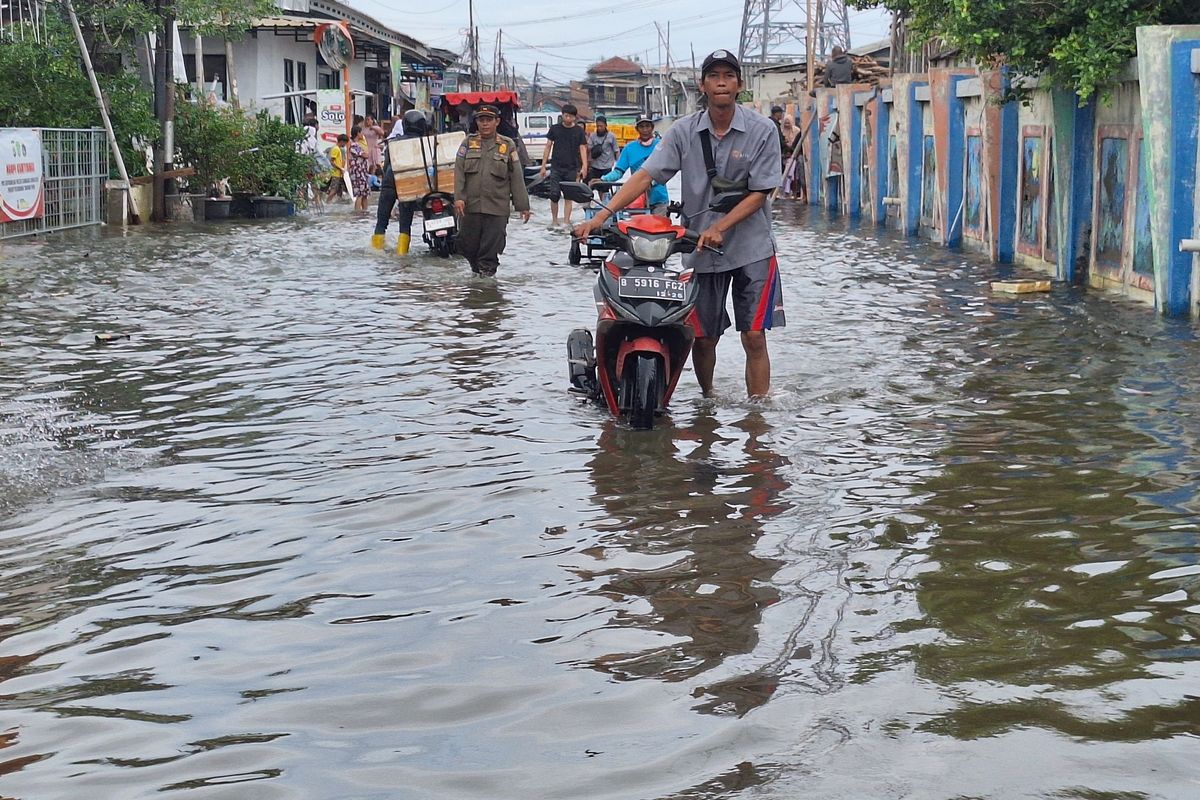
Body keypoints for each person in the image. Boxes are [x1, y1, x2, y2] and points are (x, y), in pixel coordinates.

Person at [573, 49, 784, 400]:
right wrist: (601, 216)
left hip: (752, 246)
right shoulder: (683, 132)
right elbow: (645, 176)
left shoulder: (762, 130)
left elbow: (761, 193)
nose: (721, 82)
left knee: (754, 336)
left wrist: (722, 226)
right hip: (698, 246)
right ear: (702, 85)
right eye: (714, 76)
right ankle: (708, 401)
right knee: (703, 337)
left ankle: (758, 417)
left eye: (728, 76)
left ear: (739, 85)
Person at [453, 104, 531, 276]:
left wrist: (523, 205)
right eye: (481, 120)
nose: (485, 124)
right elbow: (458, 172)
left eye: (489, 120)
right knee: (467, 245)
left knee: (490, 249)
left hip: (497, 208)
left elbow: (516, 176)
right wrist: (459, 198)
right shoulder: (468, 143)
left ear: (497, 121)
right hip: (470, 207)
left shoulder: (507, 145)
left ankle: (486, 285)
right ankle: (477, 278)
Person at [371, 109, 429, 254]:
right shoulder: (425, 143)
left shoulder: (393, 142)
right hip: (410, 184)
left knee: (381, 221)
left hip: (390, 182)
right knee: (405, 224)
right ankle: (402, 255)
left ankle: (376, 251)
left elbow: (387, 166)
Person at [595, 115, 668, 216]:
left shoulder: (661, 145)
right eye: (642, 127)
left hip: (659, 198)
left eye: (647, 126)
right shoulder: (629, 148)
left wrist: (652, 182)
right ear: (637, 129)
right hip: (636, 198)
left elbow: (666, 170)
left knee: (659, 228)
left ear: (652, 127)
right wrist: (603, 179)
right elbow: (618, 172)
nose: (645, 130)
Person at [539, 103, 588, 227]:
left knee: (568, 196)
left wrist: (584, 166)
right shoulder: (555, 129)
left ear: (574, 118)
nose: (568, 119)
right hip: (556, 167)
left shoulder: (578, 131)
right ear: (562, 115)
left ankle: (566, 221)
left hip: (571, 167)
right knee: (554, 194)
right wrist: (543, 166)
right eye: (566, 116)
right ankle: (554, 221)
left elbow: (583, 148)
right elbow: (548, 146)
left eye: (571, 117)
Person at [586, 116, 618, 182]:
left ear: (605, 125)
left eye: (601, 126)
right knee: (592, 184)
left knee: (604, 188)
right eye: (597, 126)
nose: (599, 128)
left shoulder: (611, 136)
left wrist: (617, 165)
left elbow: (616, 150)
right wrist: (587, 164)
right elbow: (588, 150)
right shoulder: (592, 136)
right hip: (594, 166)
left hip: (607, 166)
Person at [347, 124, 371, 212]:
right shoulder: (354, 145)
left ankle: (365, 211)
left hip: (362, 172)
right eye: (361, 133)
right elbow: (365, 155)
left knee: (365, 193)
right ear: (358, 133)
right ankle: (357, 213)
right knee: (360, 194)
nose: (363, 135)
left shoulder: (358, 145)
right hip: (357, 173)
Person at [325, 133, 349, 203]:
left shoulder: (338, 149)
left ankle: (338, 203)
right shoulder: (336, 149)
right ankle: (327, 202)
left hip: (339, 173)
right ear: (342, 141)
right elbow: (332, 162)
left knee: (339, 190)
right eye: (345, 143)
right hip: (335, 173)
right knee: (334, 190)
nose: (345, 145)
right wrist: (340, 168)